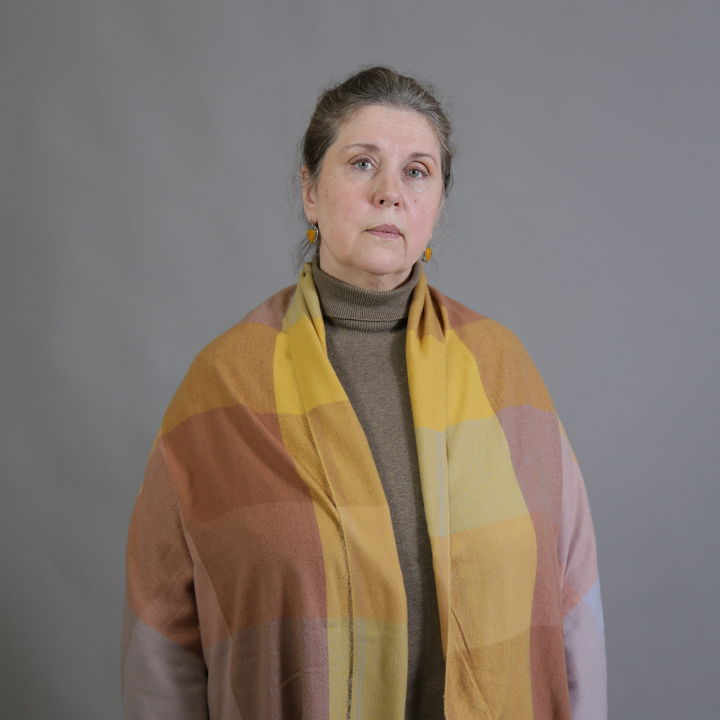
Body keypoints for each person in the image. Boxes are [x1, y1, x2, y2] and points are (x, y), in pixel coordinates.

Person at [122, 66, 607, 720]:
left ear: (438, 203)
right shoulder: (223, 385)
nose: (390, 194)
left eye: (417, 171)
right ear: (309, 191)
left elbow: (575, 615)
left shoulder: (503, 371)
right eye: (362, 164)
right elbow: (161, 645)